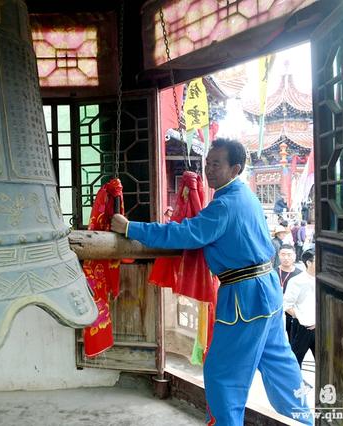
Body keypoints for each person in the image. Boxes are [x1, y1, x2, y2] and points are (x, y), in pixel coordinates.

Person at [110, 138, 311, 425]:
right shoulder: (246, 196)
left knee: (223, 375)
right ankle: (308, 419)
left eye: (216, 164)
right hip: (267, 291)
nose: (208, 170)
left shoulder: (226, 204)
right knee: (280, 366)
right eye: (207, 163)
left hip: (245, 298)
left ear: (235, 168)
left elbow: (185, 234)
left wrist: (131, 227)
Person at [283, 249, 316, 367]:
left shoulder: (324, 279)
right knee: (295, 361)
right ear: (309, 263)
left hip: (320, 327)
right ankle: (295, 385)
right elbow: (286, 305)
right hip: (302, 327)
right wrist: (304, 319)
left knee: (325, 361)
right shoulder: (297, 281)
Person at [275, 244, 302, 342]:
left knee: (293, 342)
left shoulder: (300, 274)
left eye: (289, 254)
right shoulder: (273, 273)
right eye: (283, 254)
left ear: (294, 256)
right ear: (278, 255)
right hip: (276, 313)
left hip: (292, 314)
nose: (286, 257)